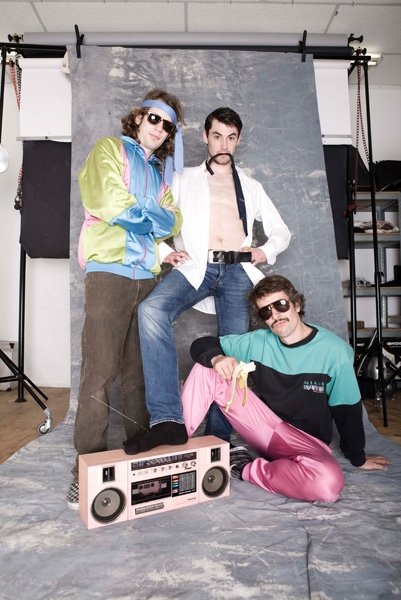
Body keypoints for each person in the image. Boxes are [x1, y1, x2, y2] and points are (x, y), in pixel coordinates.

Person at [123, 107, 291, 455]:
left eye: (231, 137)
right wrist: (167, 250)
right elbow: (155, 216)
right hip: (199, 264)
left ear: (238, 139)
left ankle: (220, 440)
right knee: (152, 310)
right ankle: (168, 419)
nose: (223, 143)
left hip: (237, 270)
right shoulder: (185, 179)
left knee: (231, 349)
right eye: (217, 136)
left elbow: (281, 231)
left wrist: (264, 251)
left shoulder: (251, 185)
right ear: (205, 136)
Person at [66, 89, 185, 510]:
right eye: (154, 118)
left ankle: (137, 456)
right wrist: (150, 218)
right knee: (100, 369)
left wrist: (151, 220)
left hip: (149, 280)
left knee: (138, 375)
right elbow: (108, 202)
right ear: (138, 119)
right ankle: (87, 467)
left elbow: (174, 219)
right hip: (110, 274)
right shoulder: (109, 149)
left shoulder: (160, 173)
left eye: (168, 124)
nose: (159, 128)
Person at [181, 274, 390, 503]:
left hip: (308, 443)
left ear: (296, 305)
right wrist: (217, 358)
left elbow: (347, 409)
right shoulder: (258, 341)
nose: (275, 316)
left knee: (327, 486)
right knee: (208, 366)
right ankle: (177, 444)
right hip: (267, 428)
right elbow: (202, 344)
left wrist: (357, 457)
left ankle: (246, 467)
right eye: (266, 311)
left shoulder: (334, 351)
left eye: (280, 305)